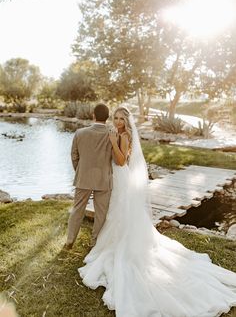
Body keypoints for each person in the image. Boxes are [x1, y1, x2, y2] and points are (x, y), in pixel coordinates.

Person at [78, 106, 236, 317]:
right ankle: (114, 240)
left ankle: (121, 244)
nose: (116, 122)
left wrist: (112, 141)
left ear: (126, 122)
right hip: (117, 178)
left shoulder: (123, 136)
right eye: (115, 118)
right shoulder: (119, 133)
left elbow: (121, 160)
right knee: (117, 213)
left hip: (121, 177)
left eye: (120, 119)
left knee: (120, 213)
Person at [63, 103, 113, 250]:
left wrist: (80, 171)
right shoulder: (112, 134)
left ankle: (70, 241)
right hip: (104, 179)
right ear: (108, 117)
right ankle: (95, 243)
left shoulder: (80, 133)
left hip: (83, 177)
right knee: (101, 213)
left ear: (93, 115)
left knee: (77, 210)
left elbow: (74, 156)